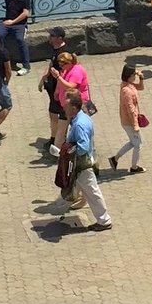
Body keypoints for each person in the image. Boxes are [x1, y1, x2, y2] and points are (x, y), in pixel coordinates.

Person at [59, 97, 111, 231]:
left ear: (74, 108)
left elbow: (82, 147)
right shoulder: (82, 118)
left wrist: (68, 149)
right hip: (84, 162)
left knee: (92, 192)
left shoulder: (79, 124)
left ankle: (104, 221)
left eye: (66, 106)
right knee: (88, 191)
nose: (64, 108)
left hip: (82, 164)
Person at [108, 64, 146, 172]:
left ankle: (115, 159)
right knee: (138, 144)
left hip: (128, 121)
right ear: (129, 76)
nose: (135, 75)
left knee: (133, 142)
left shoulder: (129, 84)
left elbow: (141, 87)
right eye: (134, 74)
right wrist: (135, 125)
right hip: (129, 122)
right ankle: (134, 167)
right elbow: (130, 109)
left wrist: (141, 77)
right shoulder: (126, 91)